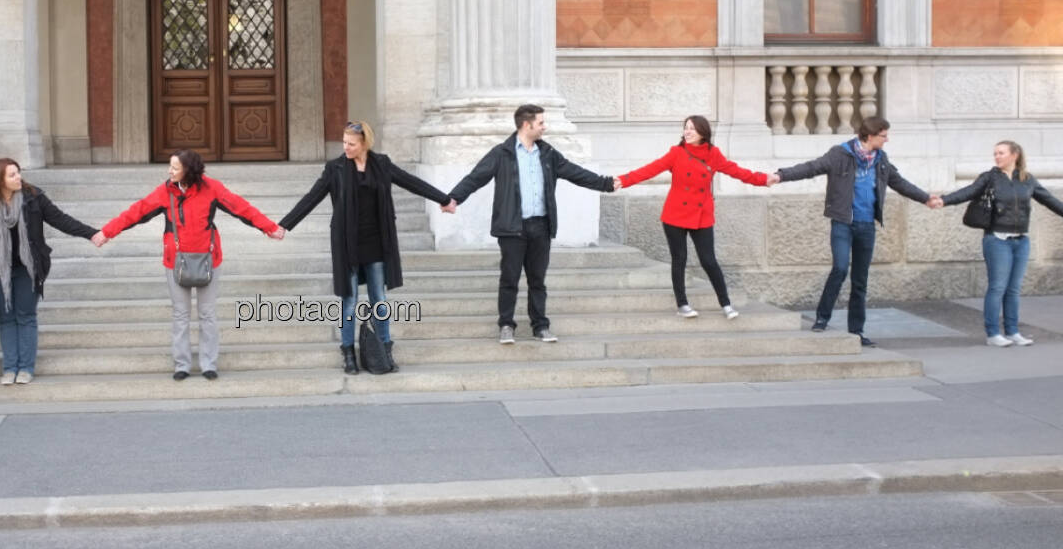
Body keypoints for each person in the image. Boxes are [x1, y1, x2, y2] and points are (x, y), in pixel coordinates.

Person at [279, 120, 451, 374]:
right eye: (344, 143)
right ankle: (348, 352)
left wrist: (444, 199)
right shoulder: (335, 168)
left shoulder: (381, 164)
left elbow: (411, 182)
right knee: (349, 301)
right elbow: (312, 197)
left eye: (351, 144)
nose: (345, 147)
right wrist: (284, 225)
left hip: (376, 242)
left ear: (364, 144)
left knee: (379, 299)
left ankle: (384, 348)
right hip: (348, 244)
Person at [101, 149, 284, 381]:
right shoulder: (164, 191)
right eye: (170, 167)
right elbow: (136, 213)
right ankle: (182, 365)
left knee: (207, 314)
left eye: (175, 168)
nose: (170, 171)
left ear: (188, 170)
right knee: (181, 314)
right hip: (175, 262)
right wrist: (106, 232)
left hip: (208, 260)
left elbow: (241, 208)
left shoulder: (212, 188)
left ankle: (209, 364)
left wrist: (270, 228)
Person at [446, 104, 615, 345]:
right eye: (541, 123)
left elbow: (575, 172)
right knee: (510, 278)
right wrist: (453, 198)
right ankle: (506, 324)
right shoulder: (501, 153)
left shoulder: (547, 154)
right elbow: (476, 177)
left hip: (541, 226)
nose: (544, 127)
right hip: (512, 227)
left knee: (537, 279)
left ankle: (540, 326)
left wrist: (606, 183)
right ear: (527, 125)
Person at [773, 116, 941, 346]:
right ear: (870, 136)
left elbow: (900, 183)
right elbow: (811, 167)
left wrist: (925, 199)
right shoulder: (840, 154)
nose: (887, 139)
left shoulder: (881, 160)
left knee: (860, 279)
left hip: (866, 226)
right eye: (884, 135)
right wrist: (780, 175)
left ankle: (857, 330)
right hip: (843, 223)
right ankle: (822, 318)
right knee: (840, 268)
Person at [0, 159, 102, 385]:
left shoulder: (34, 198)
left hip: (27, 268)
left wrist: (92, 234)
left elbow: (60, 220)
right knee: (5, 318)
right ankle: (10, 368)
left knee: (26, 316)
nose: (18, 178)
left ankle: (26, 369)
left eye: (18, 173)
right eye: (12, 175)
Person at [617, 115, 769, 319]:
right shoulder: (676, 153)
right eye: (686, 128)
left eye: (692, 129)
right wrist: (622, 180)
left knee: (709, 260)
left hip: (702, 215)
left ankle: (726, 304)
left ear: (703, 133)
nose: (687, 132)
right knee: (679, 259)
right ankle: (682, 304)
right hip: (675, 215)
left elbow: (738, 172)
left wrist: (764, 179)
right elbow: (650, 170)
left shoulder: (713, 154)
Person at [940, 140, 1063, 347]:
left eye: (1001, 153)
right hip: (997, 239)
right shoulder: (990, 178)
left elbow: (1050, 201)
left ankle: (1013, 331)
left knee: (1014, 289)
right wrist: (943, 200)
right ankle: (993, 333)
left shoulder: (1027, 180)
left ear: (1014, 155)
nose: (997, 157)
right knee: (997, 287)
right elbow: (968, 192)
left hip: (1021, 240)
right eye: (995, 153)